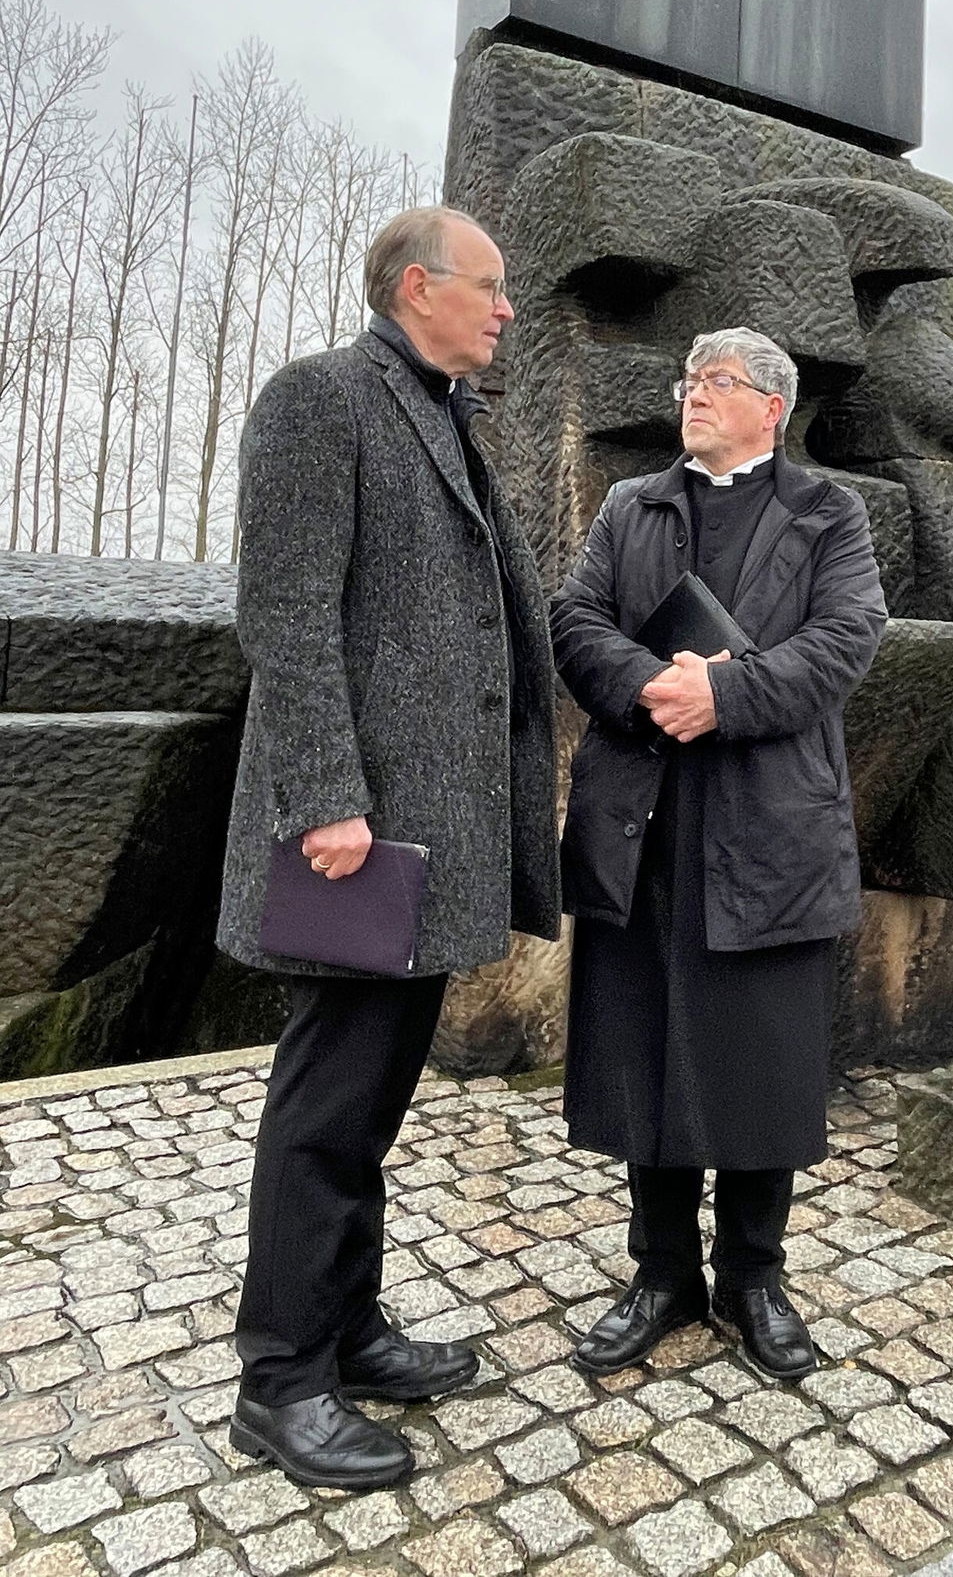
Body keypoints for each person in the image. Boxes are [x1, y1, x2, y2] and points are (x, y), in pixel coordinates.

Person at [217, 206, 560, 1491]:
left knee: (369, 1108)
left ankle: (347, 1329)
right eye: (492, 287)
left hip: (428, 839)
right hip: (360, 838)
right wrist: (325, 796)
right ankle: (281, 1381)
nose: (507, 309)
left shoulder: (449, 418)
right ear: (419, 288)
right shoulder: (321, 399)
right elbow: (285, 609)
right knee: (322, 1112)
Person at [550, 326, 887, 1380]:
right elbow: (573, 616)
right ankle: (659, 1275)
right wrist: (651, 686)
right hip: (641, 823)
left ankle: (752, 1275)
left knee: (759, 1063)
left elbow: (845, 639)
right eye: (689, 380)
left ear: (771, 407)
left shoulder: (829, 511)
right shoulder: (629, 506)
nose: (694, 396)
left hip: (768, 823)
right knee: (645, 1050)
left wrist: (723, 693)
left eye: (719, 382)